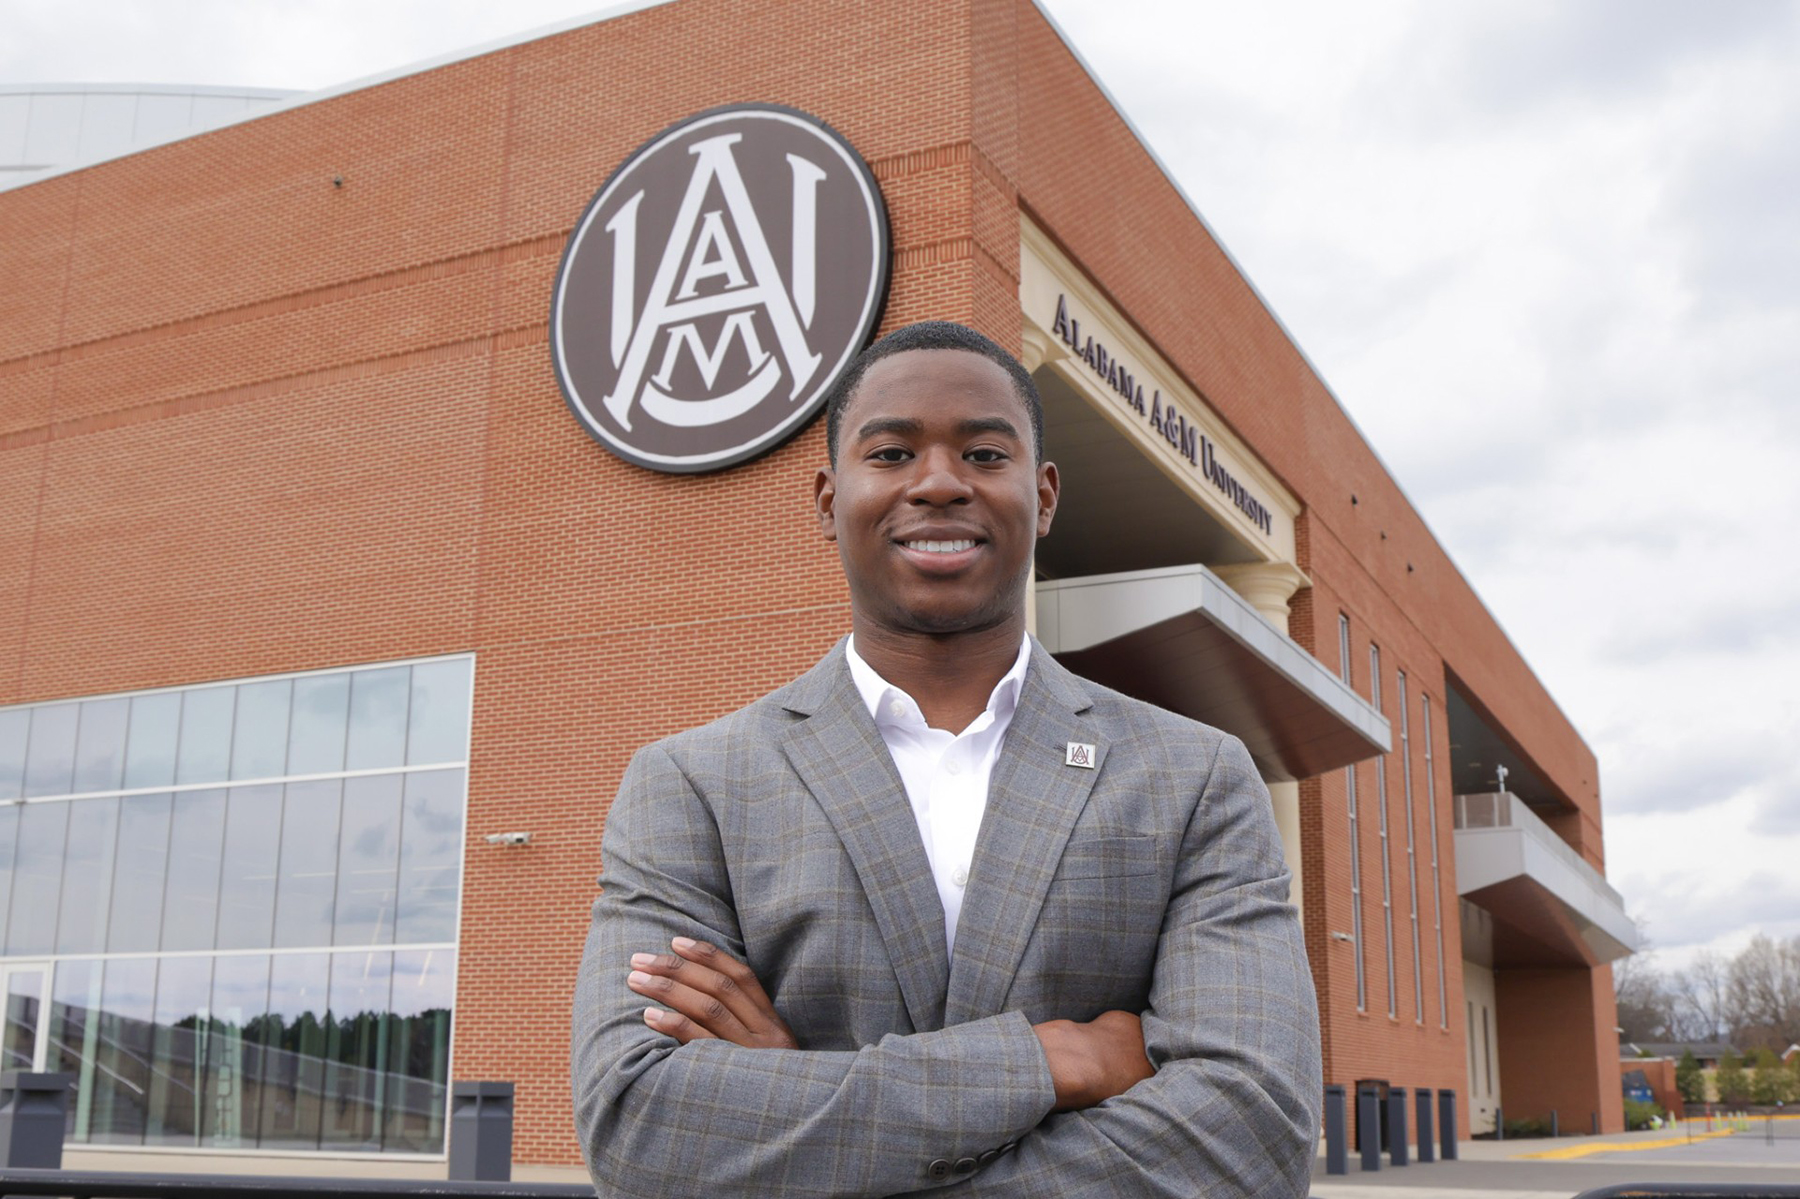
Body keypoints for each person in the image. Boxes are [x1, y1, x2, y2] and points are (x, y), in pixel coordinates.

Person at [571, 321, 1321, 1197]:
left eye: (984, 453)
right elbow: (639, 1125)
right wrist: (1052, 1057)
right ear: (826, 497)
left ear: (1041, 497)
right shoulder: (691, 783)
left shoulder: (1194, 778)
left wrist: (797, 1114)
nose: (937, 482)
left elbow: (1253, 1133)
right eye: (890, 453)